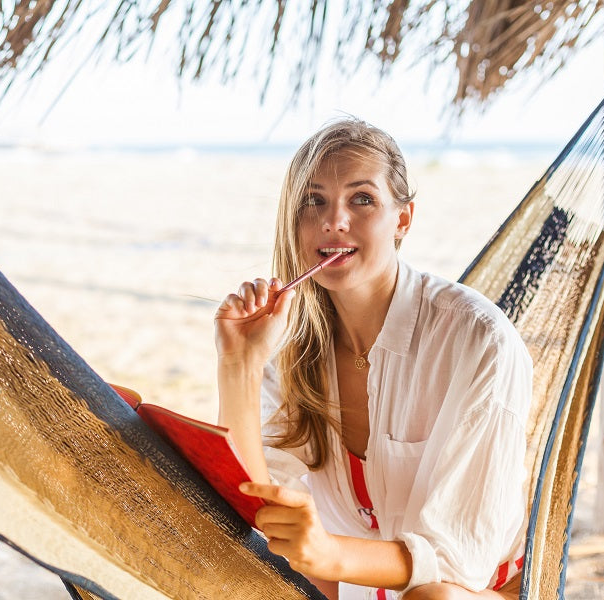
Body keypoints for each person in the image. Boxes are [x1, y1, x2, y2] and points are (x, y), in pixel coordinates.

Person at [214, 118, 532, 600]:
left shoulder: (478, 340)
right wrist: (239, 364)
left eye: (362, 199)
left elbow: (459, 561)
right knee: (269, 570)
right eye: (313, 200)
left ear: (403, 219)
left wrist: (328, 554)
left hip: (477, 587)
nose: (333, 221)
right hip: (355, 582)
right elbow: (250, 501)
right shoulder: (294, 346)